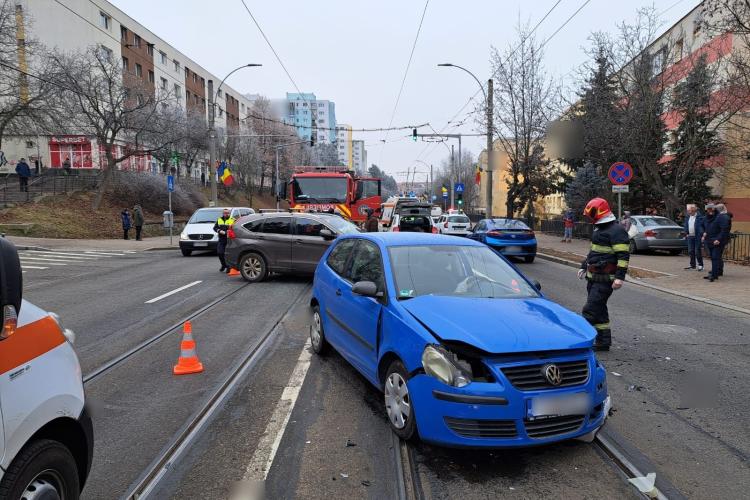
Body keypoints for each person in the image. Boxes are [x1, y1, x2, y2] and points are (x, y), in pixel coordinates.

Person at [577, 197, 630, 351]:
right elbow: (593, 253)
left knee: (590, 309)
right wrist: (583, 266)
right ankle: (603, 341)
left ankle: (578, 340)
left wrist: (620, 278)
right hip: (593, 278)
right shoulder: (599, 230)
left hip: (606, 280)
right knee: (599, 310)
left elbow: (623, 257)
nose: (589, 217)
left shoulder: (617, 231)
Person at [703, 203, 730, 282]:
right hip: (710, 240)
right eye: (707, 210)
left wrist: (718, 239)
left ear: (714, 209)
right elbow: (707, 227)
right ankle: (714, 273)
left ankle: (714, 275)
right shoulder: (709, 217)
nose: (709, 211)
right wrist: (704, 234)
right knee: (713, 258)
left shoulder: (722, 217)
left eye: (710, 209)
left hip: (717, 241)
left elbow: (724, 230)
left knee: (715, 257)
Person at [683, 204, 705, 271]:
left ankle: (700, 265)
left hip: (697, 236)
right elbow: (686, 225)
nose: (689, 212)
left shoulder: (700, 217)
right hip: (690, 236)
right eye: (688, 211)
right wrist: (686, 232)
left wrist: (702, 234)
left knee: (697, 251)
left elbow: (702, 226)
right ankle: (692, 265)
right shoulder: (687, 217)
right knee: (690, 251)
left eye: (690, 211)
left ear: (694, 211)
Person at [213, 208, 235, 273]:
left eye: (227, 213)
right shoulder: (219, 219)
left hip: (230, 240)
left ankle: (229, 267)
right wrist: (219, 231)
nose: (226, 214)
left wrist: (229, 232)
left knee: (228, 254)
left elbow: (236, 228)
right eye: (225, 213)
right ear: (223, 213)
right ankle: (224, 265)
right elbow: (215, 228)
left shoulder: (233, 220)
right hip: (222, 239)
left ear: (229, 213)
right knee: (220, 253)